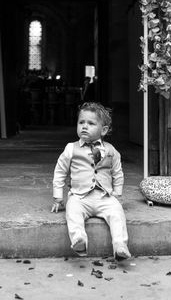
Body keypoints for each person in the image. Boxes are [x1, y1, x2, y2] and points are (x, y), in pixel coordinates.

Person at [51, 102, 131, 260]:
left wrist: (117, 193)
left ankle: (120, 245)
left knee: (117, 213)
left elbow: (117, 172)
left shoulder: (111, 150)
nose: (84, 127)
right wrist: (58, 196)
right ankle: (79, 239)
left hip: (104, 196)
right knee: (72, 211)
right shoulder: (70, 148)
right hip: (79, 196)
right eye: (81, 122)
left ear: (104, 130)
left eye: (91, 123)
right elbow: (60, 172)